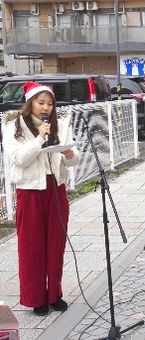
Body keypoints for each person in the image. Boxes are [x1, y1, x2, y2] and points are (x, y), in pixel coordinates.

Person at [4, 81, 80, 316]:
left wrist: (69, 154)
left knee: (56, 243)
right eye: (41, 103)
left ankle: (54, 294)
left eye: (49, 104)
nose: (45, 108)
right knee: (31, 246)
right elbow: (18, 159)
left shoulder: (58, 125)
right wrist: (38, 139)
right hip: (30, 192)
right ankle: (35, 297)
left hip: (55, 189)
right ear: (30, 103)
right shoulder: (13, 127)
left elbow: (73, 159)